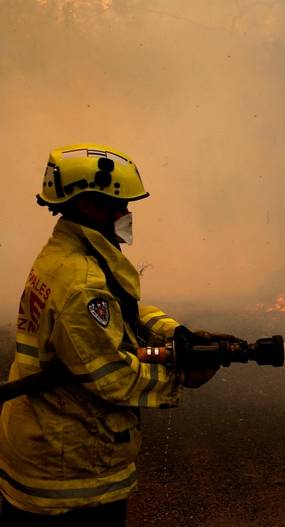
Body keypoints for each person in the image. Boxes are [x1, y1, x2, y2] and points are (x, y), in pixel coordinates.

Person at [0, 144, 220, 525]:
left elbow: (121, 309)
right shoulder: (81, 283)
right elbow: (114, 378)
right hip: (70, 472)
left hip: (46, 442)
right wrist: (181, 376)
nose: (126, 214)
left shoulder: (68, 253)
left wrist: (176, 333)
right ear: (87, 204)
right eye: (118, 206)